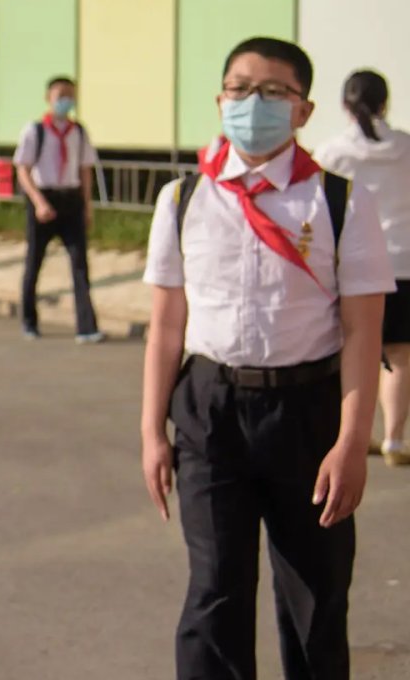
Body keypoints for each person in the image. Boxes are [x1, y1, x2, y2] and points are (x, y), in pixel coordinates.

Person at [140, 38, 393, 680]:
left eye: (274, 91)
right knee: (214, 591)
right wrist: (150, 432)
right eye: (240, 88)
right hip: (209, 411)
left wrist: (352, 441)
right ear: (219, 100)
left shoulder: (339, 201)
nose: (253, 103)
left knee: (314, 595)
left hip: (307, 412)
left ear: (303, 110)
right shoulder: (182, 199)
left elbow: (363, 332)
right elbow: (166, 326)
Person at [316, 69, 410, 467]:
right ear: (385, 103)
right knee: (400, 356)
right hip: (404, 261)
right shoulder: (406, 147)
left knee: (355, 350)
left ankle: (356, 433)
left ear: (344, 105)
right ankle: (394, 440)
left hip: (352, 266)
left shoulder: (332, 153)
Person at [14, 76, 104, 343]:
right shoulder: (35, 131)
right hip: (44, 197)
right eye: (60, 95)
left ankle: (86, 326)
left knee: (79, 264)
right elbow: (23, 170)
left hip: (71, 199)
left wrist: (87, 206)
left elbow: (85, 171)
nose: (66, 101)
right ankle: (29, 320)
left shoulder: (78, 132)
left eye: (70, 96)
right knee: (34, 262)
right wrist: (39, 202)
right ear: (48, 98)